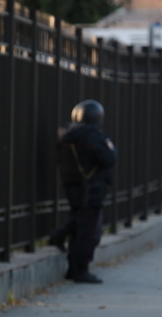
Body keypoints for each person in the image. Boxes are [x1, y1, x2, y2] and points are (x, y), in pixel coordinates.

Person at [49, 99, 117, 284]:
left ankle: (72, 265)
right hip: (92, 189)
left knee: (79, 225)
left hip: (73, 186)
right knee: (89, 231)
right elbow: (109, 157)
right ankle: (81, 270)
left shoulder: (68, 135)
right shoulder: (93, 136)